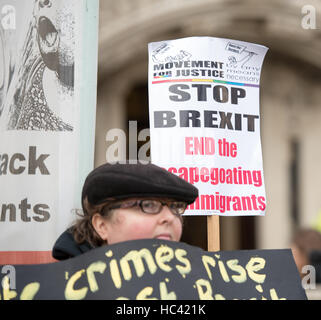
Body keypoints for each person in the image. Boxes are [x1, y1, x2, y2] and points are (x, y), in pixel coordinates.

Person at [52, 162, 199, 260]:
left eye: (174, 207)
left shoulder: (197, 286)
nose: (169, 217)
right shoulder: (62, 290)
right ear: (102, 226)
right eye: (148, 205)